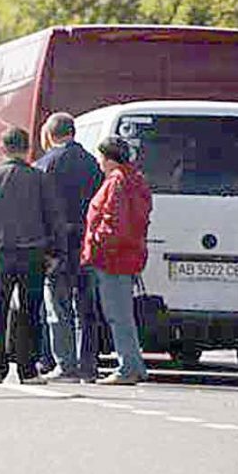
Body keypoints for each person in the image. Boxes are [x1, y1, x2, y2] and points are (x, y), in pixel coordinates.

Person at [0, 127, 62, 385]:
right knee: (29, 311)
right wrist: (54, 252)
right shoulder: (40, 179)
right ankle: (28, 369)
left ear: (3, 148)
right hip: (33, 252)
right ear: (28, 148)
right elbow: (53, 217)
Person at [33, 113, 104, 383]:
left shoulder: (45, 164)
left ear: (50, 135)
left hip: (58, 245)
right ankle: (89, 366)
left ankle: (66, 364)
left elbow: (42, 209)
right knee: (87, 309)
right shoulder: (91, 163)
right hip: (86, 243)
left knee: (58, 307)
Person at [83, 136, 153, 385]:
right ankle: (134, 364)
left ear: (109, 158)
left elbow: (112, 221)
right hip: (129, 255)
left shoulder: (116, 182)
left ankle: (128, 367)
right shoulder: (135, 179)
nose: (99, 162)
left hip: (112, 258)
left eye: (101, 157)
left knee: (117, 314)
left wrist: (96, 244)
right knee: (123, 313)